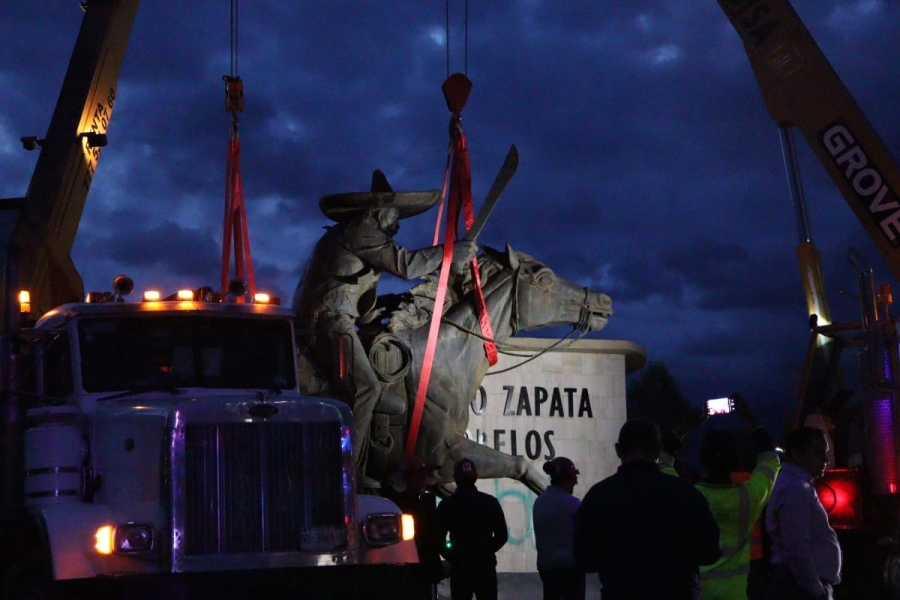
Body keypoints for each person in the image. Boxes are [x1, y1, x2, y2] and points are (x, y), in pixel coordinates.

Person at [293, 170, 475, 486]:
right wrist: (450, 252)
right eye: (394, 215)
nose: (397, 224)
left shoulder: (357, 236)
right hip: (328, 322)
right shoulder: (361, 231)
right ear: (378, 213)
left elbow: (352, 294)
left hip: (336, 318)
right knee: (366, 387)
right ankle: (346, 470)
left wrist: (381, 307)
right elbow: (406, 265)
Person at [574, 418, 721, 600]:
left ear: (618, 450)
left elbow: (585, 560)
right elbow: (710, 552)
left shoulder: (598, 497)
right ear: (658, 450)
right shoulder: (686, 494)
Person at [693, 394, 781, 600]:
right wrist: (751, 419)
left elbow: (662, 462)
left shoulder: (687, 496)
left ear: (702, 459)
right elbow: (770, 458)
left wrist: (683, 428)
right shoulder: (749, 497)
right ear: (736, 459)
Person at [766, 426, 842, 600]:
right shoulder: (794, 489)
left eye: (825, 453)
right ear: (796, 454)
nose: (826, 460)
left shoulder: (796, 486)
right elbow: (797, 545)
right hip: (800, 588)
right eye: (818, 453)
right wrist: (816, 590)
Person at [435, 458, 508, 600]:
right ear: (475, 476)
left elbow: (438, 539)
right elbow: (502, 535)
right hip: (485, 567)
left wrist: (454, 557)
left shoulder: (447, 505)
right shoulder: (490, 502)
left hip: (461, 569)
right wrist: (486, 551)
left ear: (456, 478)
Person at [390, 455, 445, 598]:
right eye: (419, 478)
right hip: (412, 567)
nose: (422, 482)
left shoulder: (400, 503)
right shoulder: (404, 505)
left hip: (415, 567)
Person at [532, 456, 585, 600]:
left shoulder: (539, 502)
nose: (575, 482)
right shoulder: (573, 504)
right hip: (570, 567)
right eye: (573, 478)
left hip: (546, 568)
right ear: (566, 478)